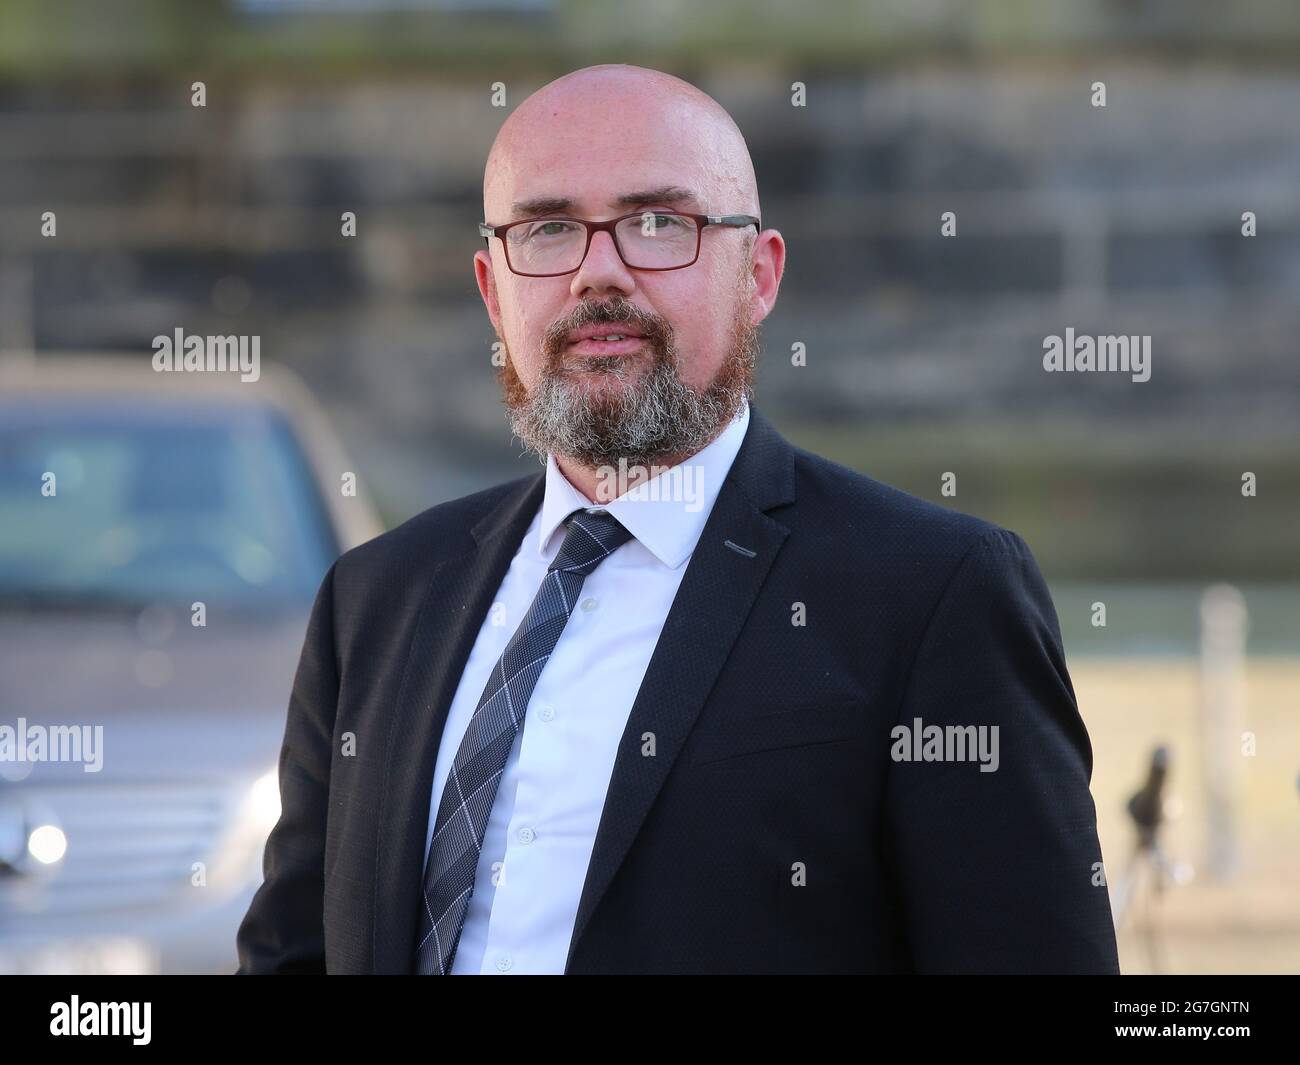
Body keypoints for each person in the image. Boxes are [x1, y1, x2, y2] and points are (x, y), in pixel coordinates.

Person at [236, 64, 1120, 974]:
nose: (598, 272)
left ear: (760, 273)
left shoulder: (932, 596)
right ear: (493, 290)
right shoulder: (377, 598)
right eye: (546, 230)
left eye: (660, 222)